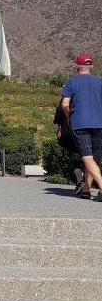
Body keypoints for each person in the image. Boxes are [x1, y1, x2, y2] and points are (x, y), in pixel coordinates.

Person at [61, 53, 102, 200]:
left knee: (87, 157)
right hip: (99, 124)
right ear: (91, 66)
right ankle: (86, 189)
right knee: (92, 159)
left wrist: (68, 117)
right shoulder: (99, 82)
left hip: (80, 124)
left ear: (77, 66)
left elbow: (65, 104)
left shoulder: (72, 82)